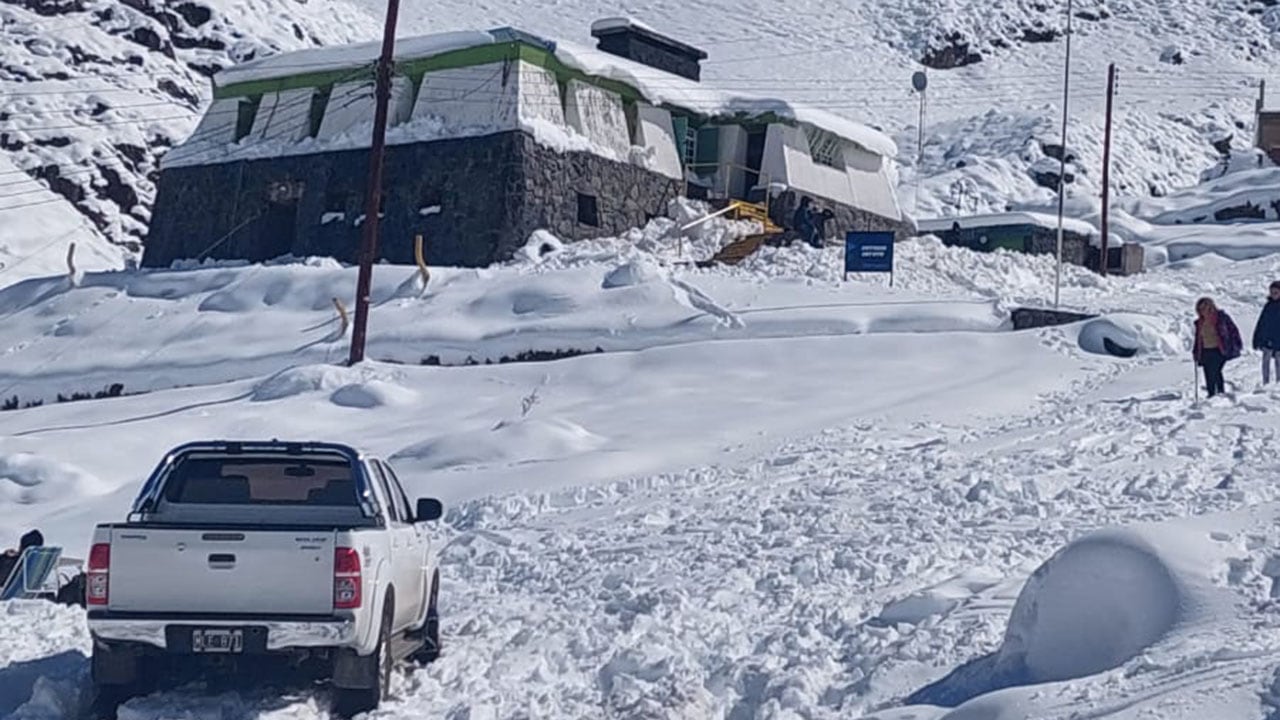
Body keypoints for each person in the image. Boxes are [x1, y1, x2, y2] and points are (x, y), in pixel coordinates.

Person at [1193, 297, 1243, 398]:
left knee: (1215, 370)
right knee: (1208, 372)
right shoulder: (1200, 322)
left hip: (1219, 349)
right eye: (1201, 308)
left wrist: (1236, 344)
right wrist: (1195, 351)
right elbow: (1198, 338)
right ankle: (1212, 393)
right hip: (1205, 350)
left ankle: (1219, 391)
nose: (1204, 311)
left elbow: (1233, 331)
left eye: (1206, 307)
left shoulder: (1221, 318)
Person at [1253, 281, 1280, 385]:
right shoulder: (1268, 306)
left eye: (1276, 292)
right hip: (1267, 339)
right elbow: (1261, 322)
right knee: (1265, 362)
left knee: (1279, 362)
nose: (1273, 294)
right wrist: (1257, 338)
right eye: (1272, 292)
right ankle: (1266, 383)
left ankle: (1278, 386)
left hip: (1279, 340)